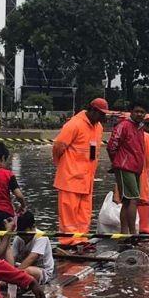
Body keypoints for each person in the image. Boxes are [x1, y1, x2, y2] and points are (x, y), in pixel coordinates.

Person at [53, 98, 108, 245]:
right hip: (70, 178)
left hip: (86, 180)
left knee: (84, 213)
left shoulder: (98, 127)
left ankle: (81, 239)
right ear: (92, 111)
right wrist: (62, 166)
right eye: (101, 114)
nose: (103, 118)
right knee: (68, 213)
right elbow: (58, 146)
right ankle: (68, 241)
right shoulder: (74, 124)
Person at [106, 103, 146, 234]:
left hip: (134, 168)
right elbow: (111, 146)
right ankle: (133, 233)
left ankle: (124, 233)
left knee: (127, 201)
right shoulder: (124, 125)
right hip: (125, 166)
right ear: (131, 112)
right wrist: (117, 162)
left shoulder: (139, 128)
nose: (139, 114)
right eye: (137, 111)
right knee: (133, 199)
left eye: (142, 112)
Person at [11, 210, 54, 285]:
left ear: (33, 227)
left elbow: (32, 257)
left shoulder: (41, 236)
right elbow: (12, 257)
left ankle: (10, 280)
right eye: (21, 234)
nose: (23, 237)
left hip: (42, 272)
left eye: (26, 234)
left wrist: (12, 275)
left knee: (28, 271)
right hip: (22, 268)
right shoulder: (18, 238)